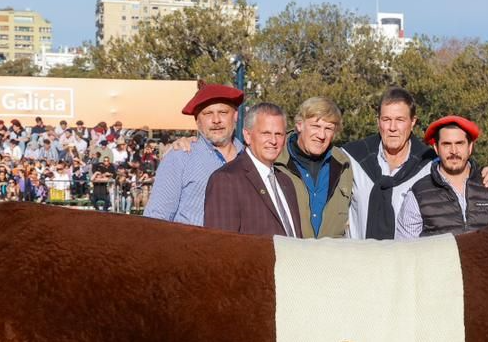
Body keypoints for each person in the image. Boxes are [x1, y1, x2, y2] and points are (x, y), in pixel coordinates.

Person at [342, 87, 437, 240]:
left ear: (412, 122)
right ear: (378, 121)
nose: (392, 128)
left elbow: (459, 168)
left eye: (400, 120)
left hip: (407, 260)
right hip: (358, 259)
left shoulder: (429, 164)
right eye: (386, 120)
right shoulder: (352, 158)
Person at [143, 83, 245, 225]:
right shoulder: (180, 158)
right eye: (208, 114)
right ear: (197, 121)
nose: (216, 120)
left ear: (235, 116)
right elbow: (156, 219)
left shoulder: (249, 159)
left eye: (223, 112)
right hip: (190, 246)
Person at [202, 103, 302, 237]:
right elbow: (221, 246)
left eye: (278, 134)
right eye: (266, 133)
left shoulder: (286, 182)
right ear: (247, 135)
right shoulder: (226, 180)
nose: (273, 141)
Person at [395, 116, 488, 238]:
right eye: (446, 144)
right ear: (436, 148)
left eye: (459, 143)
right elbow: (406, 248)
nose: (453, 151)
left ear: (470, 147)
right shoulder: (418, 194)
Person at [273, 97, 354, 238]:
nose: (321, 135)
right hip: (289, 254)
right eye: (316, 126)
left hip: (330, 255)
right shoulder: (275, 161)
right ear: (299, 125)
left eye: (328, 128)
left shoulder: (343, 165)